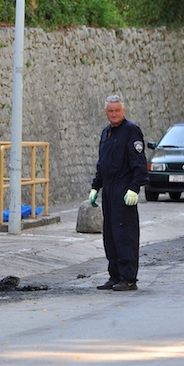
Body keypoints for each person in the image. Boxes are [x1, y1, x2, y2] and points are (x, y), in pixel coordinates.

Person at [89, 95, 148, 291]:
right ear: (106, 113)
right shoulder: (106, 132)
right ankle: (114, 276)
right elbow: (102, 163)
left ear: (123, 111)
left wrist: (134, 188)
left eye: (117, 110)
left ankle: (128, 278)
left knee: (125, 235)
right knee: (111, 236)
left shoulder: (131, 131)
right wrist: (95, 187)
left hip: (124, 190)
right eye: (110, 111)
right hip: (109, 190)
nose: (114, 114)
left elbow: (139, 165)